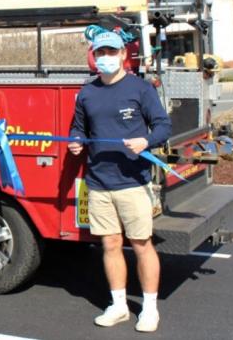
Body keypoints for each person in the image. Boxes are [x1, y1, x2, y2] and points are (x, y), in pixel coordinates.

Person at [68, 31, 172, 333]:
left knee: (141, 244)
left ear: (123, 55)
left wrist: (146, 141)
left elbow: (163, 125)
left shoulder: (139, 88)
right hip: (98, 182)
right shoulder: (87, 92)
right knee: (110, 244)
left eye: (111, 52)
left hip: (132, 181)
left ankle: (150, 309)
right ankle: (118, 305)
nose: (106, 57)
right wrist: (76, 142)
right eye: (100, 52)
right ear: (94, 56)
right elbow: (78, 128)